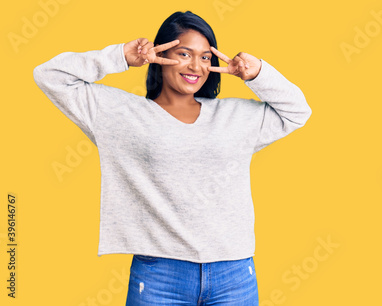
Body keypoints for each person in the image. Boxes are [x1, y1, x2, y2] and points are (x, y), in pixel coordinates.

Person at [33, 10, 312, 306]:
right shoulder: (120, 113)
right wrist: (120, 56)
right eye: (184, 53)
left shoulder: (235, 116)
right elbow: (49, 75)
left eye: (205, 57)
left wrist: (257, 73)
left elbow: (298, 111)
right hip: (160, 275)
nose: (196, 66)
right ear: (159, 54)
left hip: (234, 274)